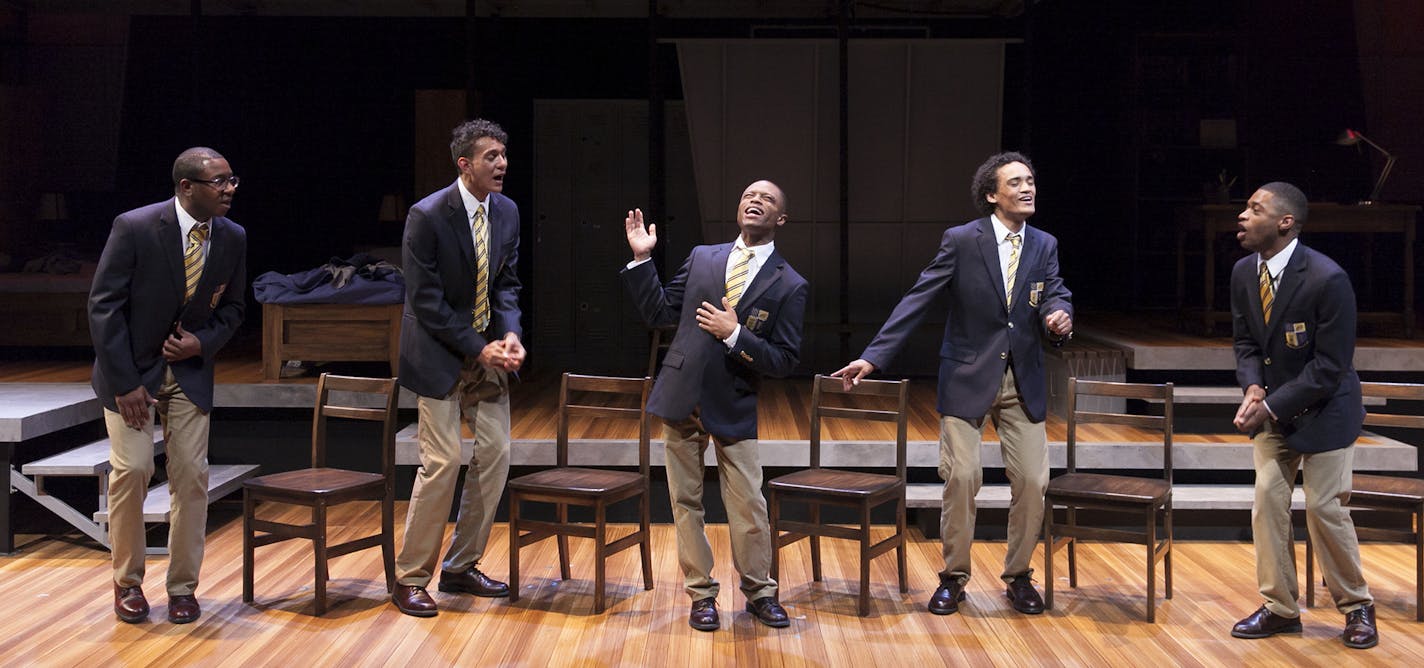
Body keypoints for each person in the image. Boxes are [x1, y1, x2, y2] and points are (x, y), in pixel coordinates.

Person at [833, 151, 1072, 616]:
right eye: (1017, 182)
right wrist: (873, 356)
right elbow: (919, 297)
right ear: (992, 195)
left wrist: (1059, 315)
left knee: (1033, 479)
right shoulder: (963, 240)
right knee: (962, 477)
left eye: (1031, 181)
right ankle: (953, 577)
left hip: (1021, 378)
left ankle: (1019, 575)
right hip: (967, 374)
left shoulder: (1044, 244)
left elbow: (1054, 291)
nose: (1028, 189)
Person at [622, 180, 807, 631]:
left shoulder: (791, 284)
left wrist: (735, 334)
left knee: (748, 505)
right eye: (748, 194)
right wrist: (643, 258)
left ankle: (760, 592)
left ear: (780, 219)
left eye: (767, 199)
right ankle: (700, 594)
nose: (754, 200)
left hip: (733, 400)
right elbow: (661, 313)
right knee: (685, 502)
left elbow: (784, 361)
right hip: (682, 393)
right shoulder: (704, 256)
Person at [89, 147, 247, 624]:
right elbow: (103, 307)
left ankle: (182, 587)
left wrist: (202, 343)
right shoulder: (135, 227)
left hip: (189, 376)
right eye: (218, 182)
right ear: (186, 187)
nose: (229, 189)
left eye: (231, 179)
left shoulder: (233, 237)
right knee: (133, 472)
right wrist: (125, 382)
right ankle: (128, 582)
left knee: (191, 478)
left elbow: (236, 308)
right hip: (131, 374)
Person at [1227, 181, 1376, 649]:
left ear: (1284, 223)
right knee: (1267, 501)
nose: (1243, 216)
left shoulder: (1327, 278)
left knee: (1322, 507)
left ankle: (1357, 606)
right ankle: (1280, 608)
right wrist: (1253, 385)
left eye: (1255, 209)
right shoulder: (1242, 273)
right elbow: (1247, 342)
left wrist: (1269, 405)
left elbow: (1329, 367)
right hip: (1276, 409)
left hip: (1327, 410)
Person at [391, 118, 525, 617]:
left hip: (486, 351)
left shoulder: (506, 211)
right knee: (443, 461)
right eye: (491, 156)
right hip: (438, 353)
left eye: (504, 155)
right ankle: (411, 578)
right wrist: (477, 345)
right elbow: (425, 301)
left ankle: (461, 565)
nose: (502, 164)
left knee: (496, 454)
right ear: (464, 164)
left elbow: (507, 282)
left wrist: (509, 333)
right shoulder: (427, 215)